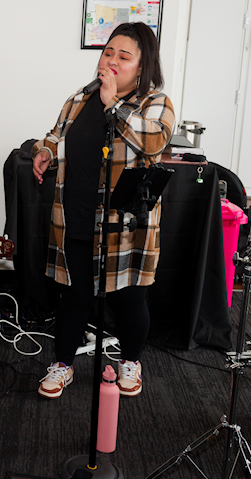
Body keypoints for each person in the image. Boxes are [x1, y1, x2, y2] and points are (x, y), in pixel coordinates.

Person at [31, 22, 174, 399]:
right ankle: (63, 364)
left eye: (123, 57)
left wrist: (114, 105)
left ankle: (130, 360)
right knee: (75, 296)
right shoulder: (80, 98)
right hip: (77, 214)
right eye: (108, 52)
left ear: (141, 67)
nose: (111, 61)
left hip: (124, 224)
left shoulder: (154, 102)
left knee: (128, 298)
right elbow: (56, 134)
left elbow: (154, 140)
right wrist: (45, 151)